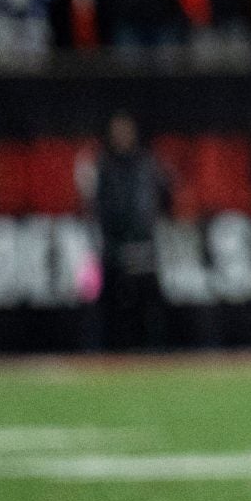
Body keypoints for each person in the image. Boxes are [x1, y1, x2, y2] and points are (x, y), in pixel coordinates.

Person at [76, 113, 172, 351]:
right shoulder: (102, 165)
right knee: (112, 307)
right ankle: (110, 356)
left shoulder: (146, 164)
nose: (122, 136)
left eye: (126, 130)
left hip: (143, 246)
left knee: (149, 307)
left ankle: (154, 355)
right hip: (112, 247)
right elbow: (96, 206)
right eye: (117, 131)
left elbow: (159, 201)